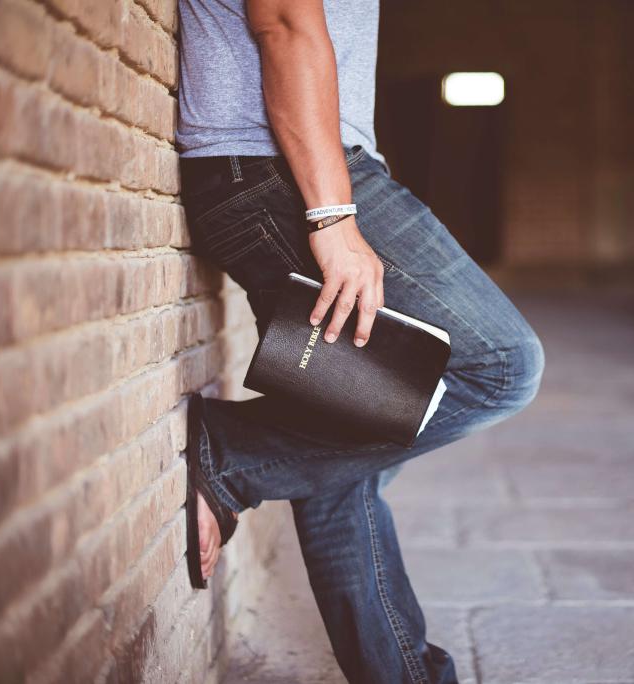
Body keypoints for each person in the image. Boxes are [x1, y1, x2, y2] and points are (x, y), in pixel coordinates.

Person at [175, 0, 545, 681]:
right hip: (280, 175)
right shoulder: (311, 193)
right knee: (501, 365)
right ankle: (232, 453)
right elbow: (284, 22)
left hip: (275, 169)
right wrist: (334, 214)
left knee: (343, 443)